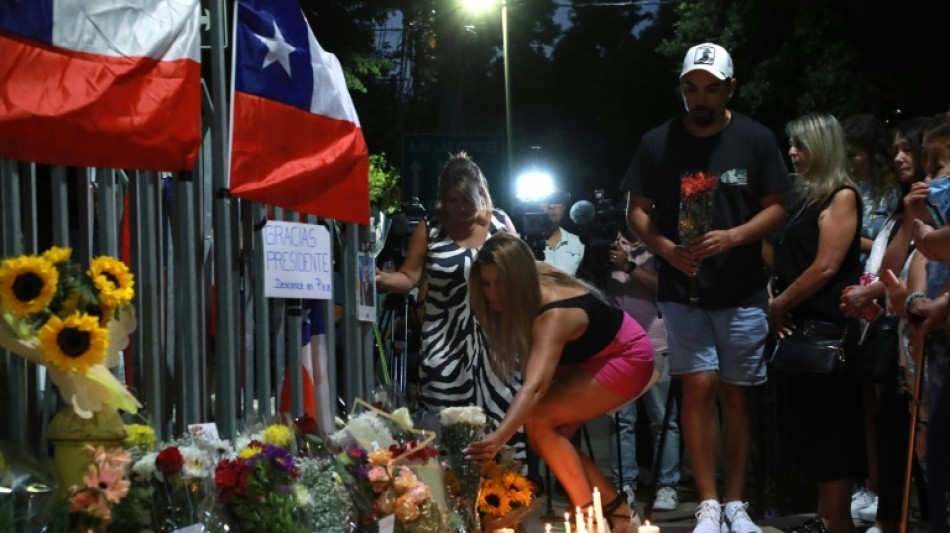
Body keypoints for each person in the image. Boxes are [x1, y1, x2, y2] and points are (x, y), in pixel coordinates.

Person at [622, 42, 791, 533]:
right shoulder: (658, 141)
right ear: (681, 88)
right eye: (691, 88)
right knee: (697, 388)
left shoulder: (756, 139)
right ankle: (709, 504)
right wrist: (665, 248)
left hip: (741, 289)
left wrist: (735, 236)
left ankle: (736, 502)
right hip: (682, 288)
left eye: (711, 89)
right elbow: (635, 211)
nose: (700, 99)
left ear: (730, 88)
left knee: (738, 395)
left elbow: (778, 206)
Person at [464, 233, 657, 533]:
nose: (492, 294)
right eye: (486, 284)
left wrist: (499, 438)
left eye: (501, 283)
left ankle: (591, 521)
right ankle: (617, 515)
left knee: (539, 422)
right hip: (591, 356)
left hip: (627, 356)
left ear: (519, 277)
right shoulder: (534, 269)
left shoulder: (553, 317)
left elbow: (535, 386)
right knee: (550, 438)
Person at [374, 152, 525, 456]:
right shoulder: (428, 229)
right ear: (443, 197)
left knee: (499, 417)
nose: (459, 208)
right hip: (443, 343)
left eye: (466, 201)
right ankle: (448, 492)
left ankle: (509, 492)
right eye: (452, 201)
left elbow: (522, 273)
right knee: (445, 424)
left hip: (497, 340)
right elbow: (410, 277)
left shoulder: (500, 223)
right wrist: (380, 279)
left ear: (481, 194)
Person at [770, 113, 865, 533]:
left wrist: (777, 306)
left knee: (831, 431)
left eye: (801, 145)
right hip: (803, 330)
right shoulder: (808, 199)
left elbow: (826, 267)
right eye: (791, 144)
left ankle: (835, 521)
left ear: (823, 147)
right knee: (812, 429)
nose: (792, 152)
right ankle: (824, 518)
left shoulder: (841, 196)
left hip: (827, 331)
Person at [839, 116, 932, 533]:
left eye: (907, 149)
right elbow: (890, 269)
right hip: (901, 345)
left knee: (925, 440)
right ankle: (891, 518)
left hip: (931, 340)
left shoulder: (934, 205)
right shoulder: (902, 208)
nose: (899, 157)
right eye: (896, 150)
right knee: (894, 430)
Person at [840, 113, 902, 522]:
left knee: (885, 404)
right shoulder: (849, 190)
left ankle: (888, 491)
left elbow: (895, 241)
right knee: (860, 400)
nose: (851, 162)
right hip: (852, 303)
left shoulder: (894, 194)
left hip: (883, 304)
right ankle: (869, 484)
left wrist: (850, 238)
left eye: (856, 155)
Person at [606, 219, 682, 512]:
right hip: (616, 346)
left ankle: (666, 485)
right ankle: (623, 484)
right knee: (620, 421)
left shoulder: (659, 243)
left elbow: (668, 288)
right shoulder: (606, 242)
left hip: (656, 342)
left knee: (662, 419)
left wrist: (629, 267)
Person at [541, 189, 586, 276]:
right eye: (545, 199)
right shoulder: (521, 245)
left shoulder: (579, 243)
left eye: (557, 200)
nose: (551, 206)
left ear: (564, 206)